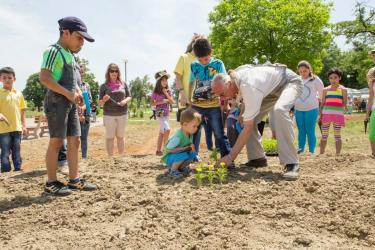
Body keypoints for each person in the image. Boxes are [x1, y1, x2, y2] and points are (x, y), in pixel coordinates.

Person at [211, 63, 303, 180]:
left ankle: (292, 163)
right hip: (269, 90)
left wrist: (230, 157)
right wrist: (242, 112)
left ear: (229, 84)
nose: (222, 99)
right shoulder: (236, 78)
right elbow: (248, 96)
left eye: (222, 94)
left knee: (279, 109)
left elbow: (248, 127)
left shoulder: (248, 85)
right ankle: (257, 158)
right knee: (245, 119)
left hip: (289, 82)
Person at [39, 16, 97, 195]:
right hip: (56, 102)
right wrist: (67, 93)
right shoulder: (53, 51)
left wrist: (77, 92)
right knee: (57, 141)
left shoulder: (70, 56)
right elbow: (45, 78)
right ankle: (51, 182)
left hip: (70, 102)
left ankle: (74, 179)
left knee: (75, 139)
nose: (82, 43)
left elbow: (74, 81)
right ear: (66, 33)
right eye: (79, 38)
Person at [187, 38, 232, 163]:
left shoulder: (218, 64)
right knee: (194, 132)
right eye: (199, 59)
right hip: (197, 105)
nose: (203, 62)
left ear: (211, 52)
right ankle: (192, 157)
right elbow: (191, 82)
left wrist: (225, 102)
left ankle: (227, 159)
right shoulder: (194, 65)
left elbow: (225, 82)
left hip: (214, 106)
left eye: (205, 59)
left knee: (219, 133)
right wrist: (189, 97)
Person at [99, 63, 132, 157]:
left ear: (118, 72)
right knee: (110, 137)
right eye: (112, 71)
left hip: (122, 114)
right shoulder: (104, 86)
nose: (114, 73)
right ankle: (110, 158)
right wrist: (104, 100)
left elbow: (129, 96)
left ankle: (121, 157)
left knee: (120, 137)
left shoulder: (123, 84)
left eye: (116, 71)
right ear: (108, 72)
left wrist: (124, 101)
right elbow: (100, 103)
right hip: (109, 115)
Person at [0, 67, 27, 173]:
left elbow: (22, 111)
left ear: (14, 79)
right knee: (5, 151)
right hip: (3, 130)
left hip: (17, 128)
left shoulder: (19, 94)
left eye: (10, 78)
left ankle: (18, 168)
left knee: (16, 150)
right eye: (4, 77)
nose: (7, 80)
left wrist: (24, 126)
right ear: (0, 79)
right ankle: (5, 170)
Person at [294, 61, 324, 154]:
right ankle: (301, 150)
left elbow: (322, 92)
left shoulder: (315, 79)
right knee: (301, 131)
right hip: (298, 109)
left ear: (309, 70)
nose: (303, 73)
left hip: (312, 109)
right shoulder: (296, 80)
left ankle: (311, 151)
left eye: (305, 71)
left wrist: (319, 101)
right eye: (301, 71)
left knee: (310, 130)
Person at [161, 109, 200, 178]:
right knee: (183, 155)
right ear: (185, 124)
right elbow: (168, 150)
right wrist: (184, 149)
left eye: (197, 126)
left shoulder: (190, 134)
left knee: (191, 156)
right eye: (194, 126)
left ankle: (181, 168)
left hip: (178, 155)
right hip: (169, 157)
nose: (196, 128)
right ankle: (172, 171)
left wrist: (194, 153)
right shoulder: (178, 137)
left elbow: (190, 146)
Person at [319, 68, 347, 155]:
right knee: (324, 135)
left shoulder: (343, 90)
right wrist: (320, 115)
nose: (333, 80)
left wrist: (343, 110)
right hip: (326, 115)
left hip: (337, 116)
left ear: (340, 78)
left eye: (335, 77)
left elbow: (344, 102)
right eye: (331, 78)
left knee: (337, 135)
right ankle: (321, 154)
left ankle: (338, 154)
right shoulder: (325, 90)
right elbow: (323, 103)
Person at [151, 70, 174, 156]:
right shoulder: (155, 92)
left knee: (162, 132)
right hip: (159, 114)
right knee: (167, 129)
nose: (165, 82)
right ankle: (166, 149)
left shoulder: (168, 91)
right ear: (159, 81)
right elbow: (152, 103)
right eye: (163, 80)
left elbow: (172, 102)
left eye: (166, 80)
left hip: (166, 113)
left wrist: (166, 94)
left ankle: (158, 151)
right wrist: (160, 102)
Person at [78, 65, 92, 160]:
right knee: (73, 139)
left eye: (82, 72)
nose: (80, 74)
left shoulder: (86, 85)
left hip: (85, 115)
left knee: (84, 138)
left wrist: (83, 107)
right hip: (74, 115)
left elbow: (90, 100)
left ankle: (84, 158)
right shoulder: (70, 85)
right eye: (78, 72)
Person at [366, 49, 375, 157]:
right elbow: (371, 96)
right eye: (373, 56)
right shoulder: (372, 79)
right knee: (372, 135)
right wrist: (367, 113)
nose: (374, 58)